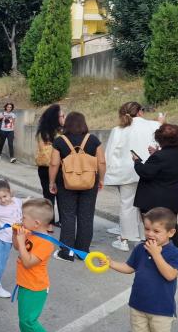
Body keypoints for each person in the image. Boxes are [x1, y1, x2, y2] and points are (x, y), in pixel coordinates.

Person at [100, 207, 178, 332]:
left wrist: (157, 254)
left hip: (161, 308)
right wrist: (111, 263)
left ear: (170, 233)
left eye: (156, 231)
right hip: (138, 304)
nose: (150, 234)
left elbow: (170, 275)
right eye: (147, 229)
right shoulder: (140, 248)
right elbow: (129, 267)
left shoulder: (175, 253)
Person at [4, 198, 65, 332]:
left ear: (36, 223)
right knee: (23, 318)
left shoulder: (46, 243)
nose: (21, 220)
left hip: (35, 287)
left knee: (29, 321)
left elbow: (28, 261)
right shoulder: (31, 233)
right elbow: (17, 247)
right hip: (24, 283)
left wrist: (23, 241)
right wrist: (16, 235)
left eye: (23, 218)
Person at [104, 102, 164, 251]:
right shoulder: (153, 125)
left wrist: (107, 174)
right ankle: (144, 237)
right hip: (149, 171)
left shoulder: (118, 130)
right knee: (146, 207)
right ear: (140, 112)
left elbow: (109, 153)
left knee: (127, 205)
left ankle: (124, 239)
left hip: (126, 173)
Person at [48, 112, 106, 262]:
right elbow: (101, 162)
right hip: (89, 182)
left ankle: (67, 252)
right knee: (86, 216)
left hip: (66, 183)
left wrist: (51, 182)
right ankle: (83, 251)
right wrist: (101, 179)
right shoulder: (93, 140)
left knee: (67, 215)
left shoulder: (60, 141)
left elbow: (54, 163)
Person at [133, 124, 178, 248]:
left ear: (160, 139)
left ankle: (154, 256)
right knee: (171, 228)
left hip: (155, 200)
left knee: (154, 230)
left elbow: (145, 172)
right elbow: (168, 165)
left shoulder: (159, 157)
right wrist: (157, 153)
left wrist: (137, 161)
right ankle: (173, 254)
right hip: (174, 198)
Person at [35, 104, 65, 226]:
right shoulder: (59, 133)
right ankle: (59, 221)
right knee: (60, 195)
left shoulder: (42, 131)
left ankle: (50, 221)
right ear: (56, 118)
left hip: (44, 168)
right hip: (56, 167)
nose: (64, 118)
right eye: (62, 116)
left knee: (49, 196)